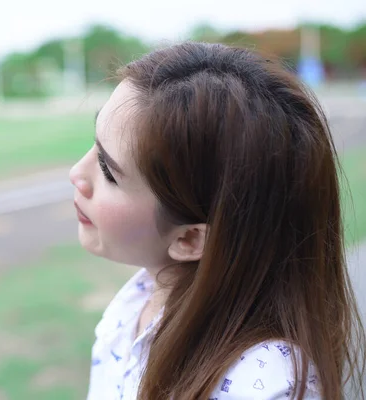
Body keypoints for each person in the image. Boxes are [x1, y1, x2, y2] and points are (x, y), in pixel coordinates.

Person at [69, 42, 366, 399]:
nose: (77, 174)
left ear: (191, 239)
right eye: (95, 144)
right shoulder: (137, 301)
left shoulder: (265, 384)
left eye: (107, 170)